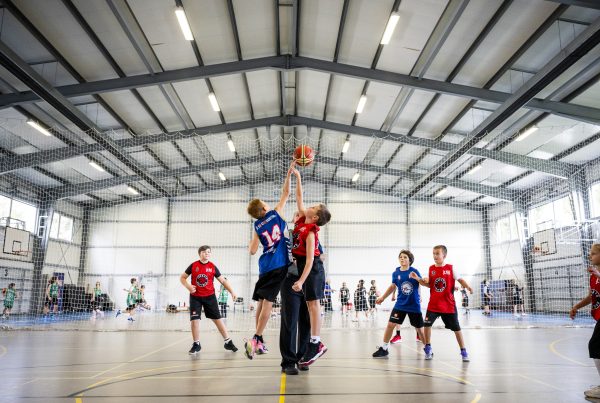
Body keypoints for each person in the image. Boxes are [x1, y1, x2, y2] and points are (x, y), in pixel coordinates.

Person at [245, 162, 294, 359]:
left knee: (261, 302)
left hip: (264, 266)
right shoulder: (275, 214)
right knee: (268, 304)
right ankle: (256, 338)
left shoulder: (257, 226)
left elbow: (252, 250)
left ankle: (259, 340)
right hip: (278, 264)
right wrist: (289, 175)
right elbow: (286, 193)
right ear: (265, 207)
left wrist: (254, 239)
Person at [290, 167, 332, 367]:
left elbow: (309, 261)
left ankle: (316, 343)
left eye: (313, 207)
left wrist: (300, 280)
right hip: (304, 267)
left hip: (313, 269)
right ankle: (315, 342)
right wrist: (297, 176)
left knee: (314, 305)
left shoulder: (311, 234)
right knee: (310, 305)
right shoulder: (301, 219)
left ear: (315, 217)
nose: (309, 205)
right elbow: (299, 196)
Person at [410, 245, 473, 362]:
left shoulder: (451, 268)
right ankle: (428, 348)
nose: (435, 256)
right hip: (433, 304)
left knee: (457, 328)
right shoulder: (431, 269)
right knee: (427, 325)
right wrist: (418, 279)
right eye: (433, 253)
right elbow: (429, 285)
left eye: (437, 253)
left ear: (444, 255)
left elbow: (460, 279)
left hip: (448, 305)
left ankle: (463, 351)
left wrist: (468, 286)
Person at [180, 245, 238, 355]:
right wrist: (188, 286)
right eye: (204, 252)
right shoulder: (193, 265)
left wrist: (232, 292)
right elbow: (182, 277)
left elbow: (223, 281)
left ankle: (228, 342)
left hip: (210, 297)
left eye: (208, 252)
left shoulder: (212, 267)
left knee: (218, 319)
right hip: (195, 297)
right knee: (194, 320)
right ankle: (196, 344)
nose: (207, 253)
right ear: (199, 254)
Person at [373, 250, 425, 358]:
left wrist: (419, 288)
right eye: (400, 257)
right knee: (390, 325)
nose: (402, 258)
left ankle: (428, 348)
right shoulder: (396, 273)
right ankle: (384, 348)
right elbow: (393, 286)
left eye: (405, 257)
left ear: (410, 260)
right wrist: (382, 298)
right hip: (400, 304)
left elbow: (422, 283)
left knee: (420, 329)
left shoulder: (414, 271)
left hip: (413, 305)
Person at [570, 243, 600, 399]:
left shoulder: (597, 274)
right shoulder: (593, 276)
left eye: (593, 253)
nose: (590, 256)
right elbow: (590, 297)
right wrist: (576, 306)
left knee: (595, 345)